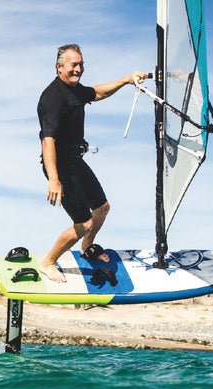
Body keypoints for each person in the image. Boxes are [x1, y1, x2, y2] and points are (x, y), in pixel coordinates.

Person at [37, 43, 147, 282]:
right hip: (60, 166)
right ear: (59, 67)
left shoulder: (75, 90)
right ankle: (48, 262)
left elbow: (97, 93)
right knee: (85, 222)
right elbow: (48, 141)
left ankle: (87, 247)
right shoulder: (53, 98)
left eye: (81, 64)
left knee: (102, 208)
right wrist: (54, 179)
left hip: (76, 161)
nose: (79, 69)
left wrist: (127, 80)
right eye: (74, 65)